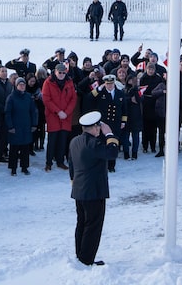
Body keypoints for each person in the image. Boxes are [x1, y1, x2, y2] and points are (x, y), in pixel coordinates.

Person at [68, 111, 121, 266]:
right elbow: (112, 153)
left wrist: (74, 182)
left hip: (79, 189)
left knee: (82, 224)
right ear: (95, 128)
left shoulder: (75, 141)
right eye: (98, 127)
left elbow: (71, 165)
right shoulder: (93, 143)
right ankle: (86, 260)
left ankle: (81, 255)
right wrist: (109, 134)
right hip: (93, 191)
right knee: (93, 226)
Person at [42, 63, 77, 171]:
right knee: (52, 140)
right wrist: (58, 111)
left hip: (66, 116)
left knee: (62, 140)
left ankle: (60, 161)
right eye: (59, 72)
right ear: (55, 72)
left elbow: (73, 99)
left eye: (63, 73)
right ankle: (49, 162)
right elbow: (46, 99)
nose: (61, 75)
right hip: (53, 115)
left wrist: (66, 112)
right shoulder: (48, 82)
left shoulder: (69, 82)